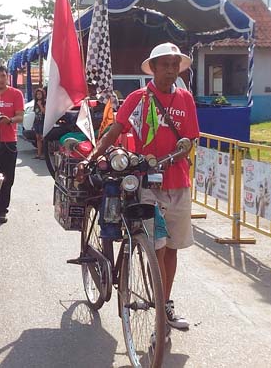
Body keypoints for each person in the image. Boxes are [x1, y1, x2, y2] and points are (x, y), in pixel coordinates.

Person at [87, 42, 199, 331]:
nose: (171, 70)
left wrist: (176, 155)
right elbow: (115, 130)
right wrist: (95, 154)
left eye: (175, 65)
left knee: (172, 248)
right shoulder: (138, 98)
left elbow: (189, 140)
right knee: (157, 249)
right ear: (154, 68)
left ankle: (165, 302)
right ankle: (160, 308)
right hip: (146, 184)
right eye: (165, 64)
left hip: (179, 184)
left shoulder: (186, 99)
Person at [0, 64, 25, 224]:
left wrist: (9, 120)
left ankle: (2, 210)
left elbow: (20, 117)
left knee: (7, 179)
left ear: (7, 76)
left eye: (2, 76)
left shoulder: (16, 94)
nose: (0, 79)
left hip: (9, 142)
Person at [33, 88, 46, 159]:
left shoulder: (44, 102)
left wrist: (40, 105)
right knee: (37, 138)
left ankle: (45, 154)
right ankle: (39, 153)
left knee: (42, 138)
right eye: (37, 94)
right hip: (37, 121)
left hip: (42, 121)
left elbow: (44, 112)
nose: (38, 96)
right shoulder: (36, 103)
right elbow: (35, 113)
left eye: (40, 94)